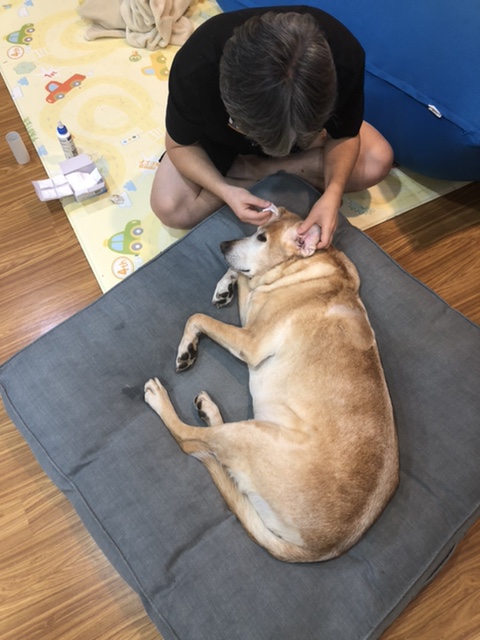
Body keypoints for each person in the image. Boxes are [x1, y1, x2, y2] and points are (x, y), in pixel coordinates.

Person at [150, 6, 393, 249]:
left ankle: (254, 171)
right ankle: (257, 172)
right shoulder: (197, 65)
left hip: (306, 142)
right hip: (220, 143)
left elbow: (344, 136)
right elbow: (179, 145)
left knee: (377, 160)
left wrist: (333, 192)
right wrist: (225, 191)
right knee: (170, 207)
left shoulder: (343, 55)